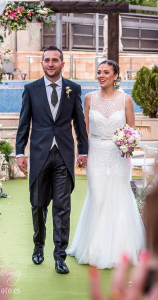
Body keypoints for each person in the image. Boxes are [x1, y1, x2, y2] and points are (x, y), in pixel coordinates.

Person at [16, 45, 88, 274]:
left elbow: (79, 122)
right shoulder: (31, 89)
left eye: (55, 60)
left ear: (62, 64)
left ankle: (60, 256)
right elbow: (24, 124)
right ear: (42, 63)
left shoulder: (73, 89)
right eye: (46, 60)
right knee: (38, 204)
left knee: (62, 207)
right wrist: (19, 152)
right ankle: (38, 247)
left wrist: (83, 151)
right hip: (39, 155)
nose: (50, 63)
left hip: (64, 155)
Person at [67, 60, 145, 269]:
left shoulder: (126, 100)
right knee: (99, 196)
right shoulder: (89, 98)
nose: (101, 75)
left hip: (118, 155)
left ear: (116, 76)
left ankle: (121, 249)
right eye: (99, 72)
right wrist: (81, 153)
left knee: (118, 196)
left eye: (106, 72)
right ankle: (94, 248)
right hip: (96, 152)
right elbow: (83, 131)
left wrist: (127, 144)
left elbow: (131, 131)